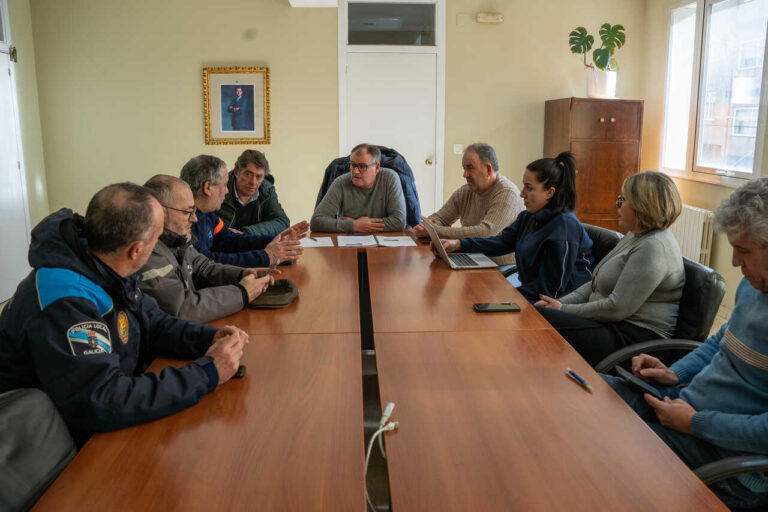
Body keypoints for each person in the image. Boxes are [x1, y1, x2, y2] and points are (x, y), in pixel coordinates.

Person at [0, 183, 248, 445]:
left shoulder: (102, 261)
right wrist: (206, 373)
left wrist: (208, 339)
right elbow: (103, 399)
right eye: (157, 239)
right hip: (44, 443)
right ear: (136, 250)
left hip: (93, 410)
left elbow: (153, 321)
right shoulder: (64, 299)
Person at [601, 177, 768, 509]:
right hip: (684, 407)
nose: (735, 263)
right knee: (591, 394)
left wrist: (694, 423)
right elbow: (721, 340)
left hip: (727, 458)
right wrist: (676, 373)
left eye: (744, 251)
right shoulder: (753, 286)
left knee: (609, 450)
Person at [535, 171, 684, 366]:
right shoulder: (636, 235)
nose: (618, 204)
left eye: (623, 199)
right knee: (538, 314)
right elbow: (594, 284)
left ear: (642, 206)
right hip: (610, 325)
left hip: (633, 341)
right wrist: (560, 304)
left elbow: (616, 308)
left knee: (540, 321)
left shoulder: (653, 246)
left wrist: (563, 310)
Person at [436, 152, 593, 301]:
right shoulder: (528, 217)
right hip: (533, 294)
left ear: (550, 192)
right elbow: (502, 243)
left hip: (559, 303)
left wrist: (508, 296)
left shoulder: (564, 227)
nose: (522, 193)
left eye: (529, 188)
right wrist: (459, 244)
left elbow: (551, 290)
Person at [140, 175, 275, 323]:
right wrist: (242, 293)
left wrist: (241, 274)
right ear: (159, 212)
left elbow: (203, 267)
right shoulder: (145, 252)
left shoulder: (176, 238)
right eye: (187, 212)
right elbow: (182, 308)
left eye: (194, 210)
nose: (194, 218)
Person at [180, 154, 308, 267]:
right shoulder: (185, 222)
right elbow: (205, 264)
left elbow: (229, 240)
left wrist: (275, 240)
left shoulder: (206, 213)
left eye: (259, 176)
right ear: (208, 187)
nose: (227, 191)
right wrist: (265, 257)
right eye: (224, 185)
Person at [408, 143, 523, 265]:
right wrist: (427, 226)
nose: (465, 174)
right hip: (472, 258)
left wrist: (435, 231)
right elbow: (441, 217)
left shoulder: (507, 193)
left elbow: (485, 233)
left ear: (488, 169)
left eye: (470, 168)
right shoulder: (467, 190)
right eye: (464, 168)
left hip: (501, 267)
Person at [310, 143, 406, 233]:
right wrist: (354, 225)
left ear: (377, 167)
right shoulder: (341, 182)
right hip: (350, 241)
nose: (355, 171)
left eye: (362, 166)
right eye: (353, 165)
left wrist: (359, 225)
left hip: (383, 241)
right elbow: (316, 221)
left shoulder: (390, 178)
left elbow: (399, 221)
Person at [216, 149, 290, 238]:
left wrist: (247, 233)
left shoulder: (267, 190)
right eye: (248, 174)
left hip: (255, 243)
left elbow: (282, 222)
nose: (253, 182)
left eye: (259, 177)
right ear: (236, 172)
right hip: (224, 244)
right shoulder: (219, 187)